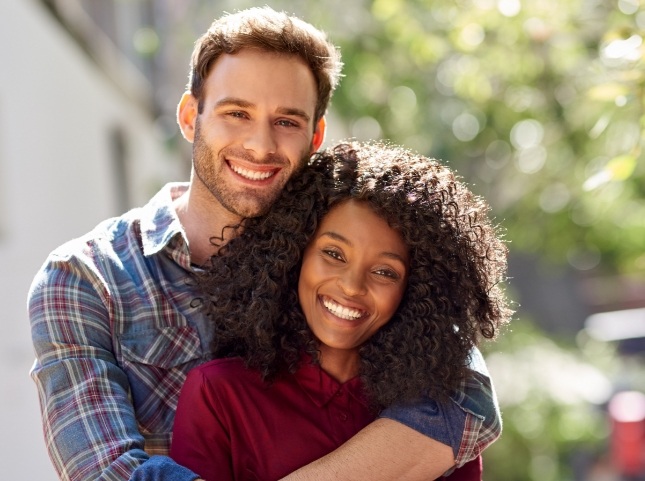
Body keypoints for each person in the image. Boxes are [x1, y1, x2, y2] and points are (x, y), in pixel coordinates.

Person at [28, 7, 501, 481]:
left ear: (315, 136)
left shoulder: (332, 258)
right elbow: (107, 472)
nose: (260, 144)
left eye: (287, 121)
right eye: (237, 113)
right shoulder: (87, 278)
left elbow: (465, 397)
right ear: (191, 116)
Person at [169, 141, 512, 481]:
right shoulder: (217, 394)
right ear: (295, 252)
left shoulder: (438, 419)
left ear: (417, 290)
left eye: (385, 272)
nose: (352, 286)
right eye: (334, 253)